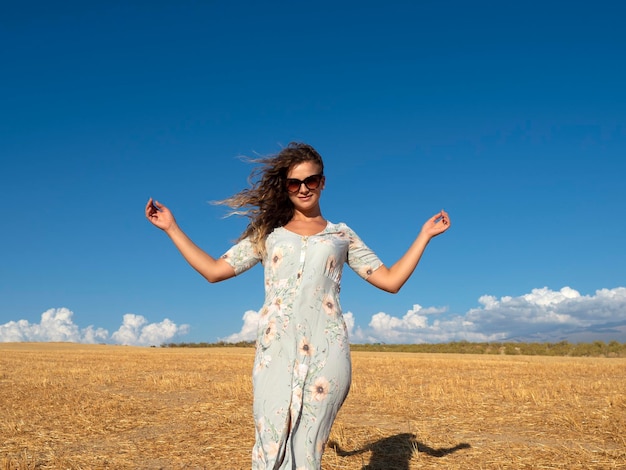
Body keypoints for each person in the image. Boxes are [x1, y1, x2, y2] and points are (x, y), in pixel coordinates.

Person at [145, 142, 450, 469]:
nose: (303, 189)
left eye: (311, 181)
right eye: (294, 183)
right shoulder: (268, 233)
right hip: (275, 351)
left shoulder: (342, 235)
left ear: (323, 181)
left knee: (306, 453)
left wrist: (424, 236)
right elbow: (214, 271)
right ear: (285, 187)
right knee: (269, 442)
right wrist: (171, 228)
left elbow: (390, 281)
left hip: (328, 353)